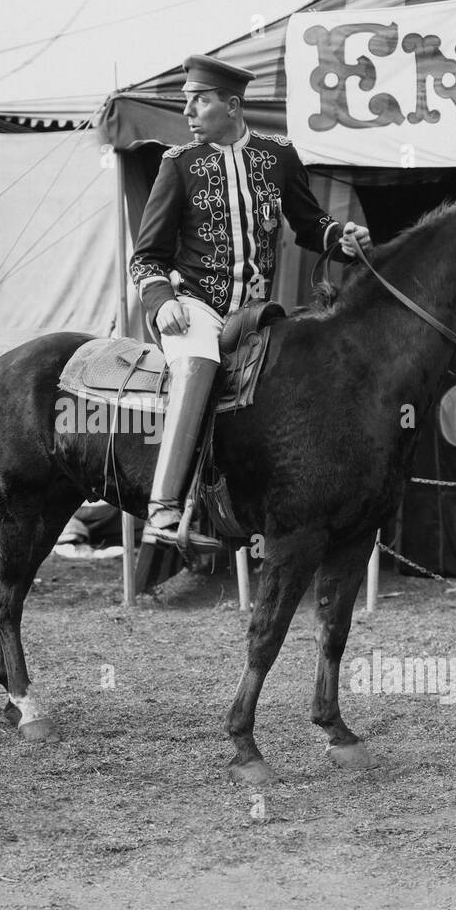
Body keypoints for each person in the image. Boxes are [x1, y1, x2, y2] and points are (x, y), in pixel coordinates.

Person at [128, 54, 372, 549]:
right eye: (187, 102)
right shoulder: (178, 165)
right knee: (198, 362)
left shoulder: (279, 155)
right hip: (194, 306)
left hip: (256, 313)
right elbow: (145, 257)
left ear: (233, 105)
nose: (189, 112)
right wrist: (159, 302)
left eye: (200, 101)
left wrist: (340, 240)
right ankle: (163, 509)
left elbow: (311, 224)